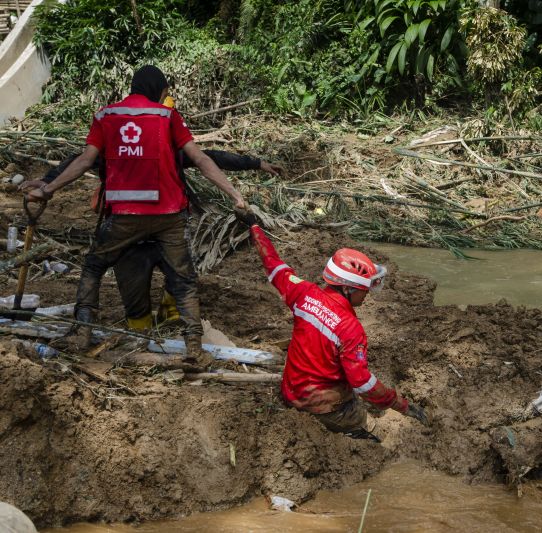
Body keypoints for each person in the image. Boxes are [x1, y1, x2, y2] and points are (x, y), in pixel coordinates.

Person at [25, 65, 245, 360]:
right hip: (169, 215)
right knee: (184, 280)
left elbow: (83, 161)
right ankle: (194, 348)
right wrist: (234, 194)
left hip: (124, 216)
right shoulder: (167, 116)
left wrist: (47, 189)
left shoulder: (105, 116)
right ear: (158, 90)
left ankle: (83, 331)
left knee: (93, 267)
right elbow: (202, 159)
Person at [21, 148, 283, 331]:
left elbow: (210, 158)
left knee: (171, 278)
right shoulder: (140, 146)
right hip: (147, 230)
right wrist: (46, 182)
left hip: (136, 229)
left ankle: (151, 320)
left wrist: (47, 184)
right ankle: (146, 324)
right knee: (158, 287)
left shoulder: (147, 146)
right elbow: (80, 160)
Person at [236, 210, 429, 440]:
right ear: (348, 288)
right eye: (364, 290)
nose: (366, 295)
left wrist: (255, 228)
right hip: (323, 408)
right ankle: (358, 436)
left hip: (291, 393)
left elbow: (274, 266)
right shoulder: (351, 329)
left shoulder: (303, 293)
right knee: (369, 430)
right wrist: (400, 404)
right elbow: (362, 382)